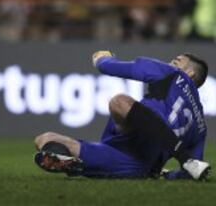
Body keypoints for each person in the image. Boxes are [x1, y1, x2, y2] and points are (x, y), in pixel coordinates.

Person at [34, 51, 211, 180]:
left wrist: (102, 59)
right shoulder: (200, 124)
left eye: (176, 61)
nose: (170, 63)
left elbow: (112, 67)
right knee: (44, 139)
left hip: (137, 137)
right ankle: (72, 163)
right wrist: (168, 175)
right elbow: (191, 173)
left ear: (189, 73)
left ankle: (181, 155)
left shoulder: (174, 75)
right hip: (136, 166)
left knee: (118, 102)